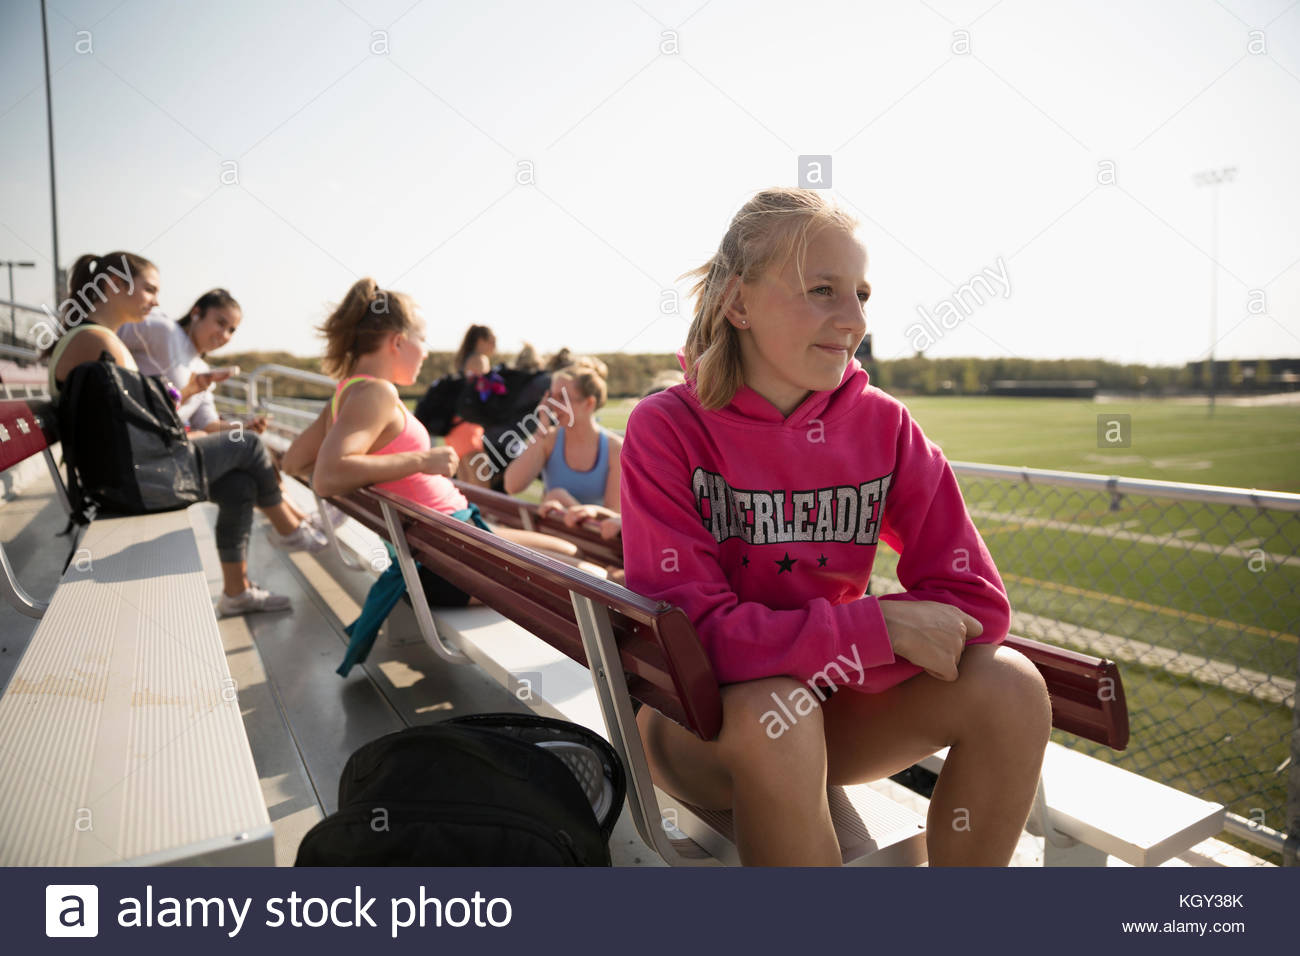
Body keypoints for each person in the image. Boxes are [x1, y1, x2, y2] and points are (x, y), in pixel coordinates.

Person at [619, 189, 1051, 866]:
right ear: (738, 305)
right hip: (697, 724)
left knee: (1013, 687)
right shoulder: (666, 428)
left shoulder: (886, 426)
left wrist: (857, 647)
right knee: (776, 714)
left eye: (862, 294)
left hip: (831, 710)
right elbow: (690, 639)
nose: (852, 319)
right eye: (822, 290)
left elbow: (976, 602)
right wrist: (875, 629)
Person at [281, 279, 607, 613]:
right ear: (397, 342)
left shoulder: (347, 392)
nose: (425, 351)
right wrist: (421, 460)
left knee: (572, 553)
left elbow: (294, 462)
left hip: (449, 540)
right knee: (593, 578)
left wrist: (369, 475)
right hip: (448, 560)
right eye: (422, 339)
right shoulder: (376, 393)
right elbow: (327, 476)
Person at [43, 252, 327, 617]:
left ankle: (237, 592)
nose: (157, 301)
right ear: (114, 285)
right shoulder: (99, 341)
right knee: (251, 444)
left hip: (129, 476)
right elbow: (143, 434)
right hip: (133, 482)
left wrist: (191, 396)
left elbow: (138, 430)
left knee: (240, 485)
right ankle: (289, 529)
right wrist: (191, 405)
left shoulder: (96, 339)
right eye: (149, 289)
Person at [503, 363, 622, 510]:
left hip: (588, 534)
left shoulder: (615, 449)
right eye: (551, 397)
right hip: (548, 532)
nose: (552, 405)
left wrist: (562, 499)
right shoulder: (548, 439)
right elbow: (512, 486)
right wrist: (541, 432)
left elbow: (612, 518)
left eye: (562, 398)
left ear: (589, 403)